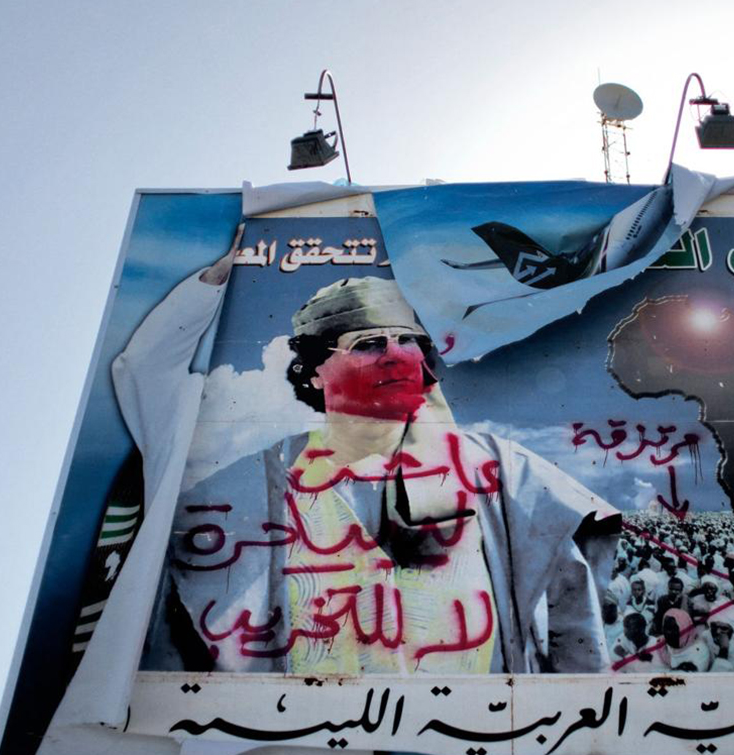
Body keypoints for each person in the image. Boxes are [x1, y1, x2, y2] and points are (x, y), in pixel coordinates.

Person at [131, 266, 621, 675]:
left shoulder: (502, 473)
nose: (396, 355)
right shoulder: (246, 490)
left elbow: (572, 621)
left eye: (409, 340)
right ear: (314, 371)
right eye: (368, 344)